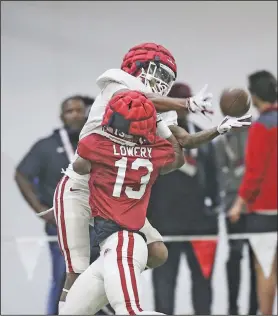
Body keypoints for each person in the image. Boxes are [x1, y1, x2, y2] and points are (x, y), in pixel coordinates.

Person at [53, 42, 252, 312]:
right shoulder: (118, 87)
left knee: (157, 252)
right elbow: (80, 166)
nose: (161, 82)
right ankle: (96, 292)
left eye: (168, 79)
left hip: (119, 198)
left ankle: (109, 282)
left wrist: (218, 129)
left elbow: (181, 144)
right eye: (158, 73)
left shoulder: (150, 112)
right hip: (82, 189)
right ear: (135, 66)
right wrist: (186, 104)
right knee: (74, 271)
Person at [60, 90, 184, 315]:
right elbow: (177, 159)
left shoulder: (96, 144)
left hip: (122, 243)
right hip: (115, 245)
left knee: (129, 311)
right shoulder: (154, 151)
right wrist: (162, 128)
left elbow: (79, 167)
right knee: (71, 312)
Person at [14, 95, 92, 315]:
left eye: (80, 110)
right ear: (61, 116)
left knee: (96, 279)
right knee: (63, 277)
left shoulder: (94, 142)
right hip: (61, 226)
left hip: (95, 223)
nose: (76, 114)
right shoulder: (46, 146)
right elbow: (21, 175)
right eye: (70, 111)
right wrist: (41, 210)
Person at [148, 82, 220, 315]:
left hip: (200, 226)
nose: (180, 110)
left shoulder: (202, 136)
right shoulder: (153, 138)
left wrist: (214, 211)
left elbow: (213, 180)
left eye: (184, 104)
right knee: (164, 285)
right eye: (176, 104)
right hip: (163, 225)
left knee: (203, 285)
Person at [228, 70, 277, 315]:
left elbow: (254, 173)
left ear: (255, 96)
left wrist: (239, 203)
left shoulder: (260, 126)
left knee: (266, 270)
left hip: (265, 212)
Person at [215, 108, 258, 315]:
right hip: (233, 206)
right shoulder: (223, 139)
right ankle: (233, 309)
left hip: (258, 206)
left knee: (257, 259)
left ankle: (254, 309)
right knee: (235, 255)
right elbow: (220, 174)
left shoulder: (259, 135)